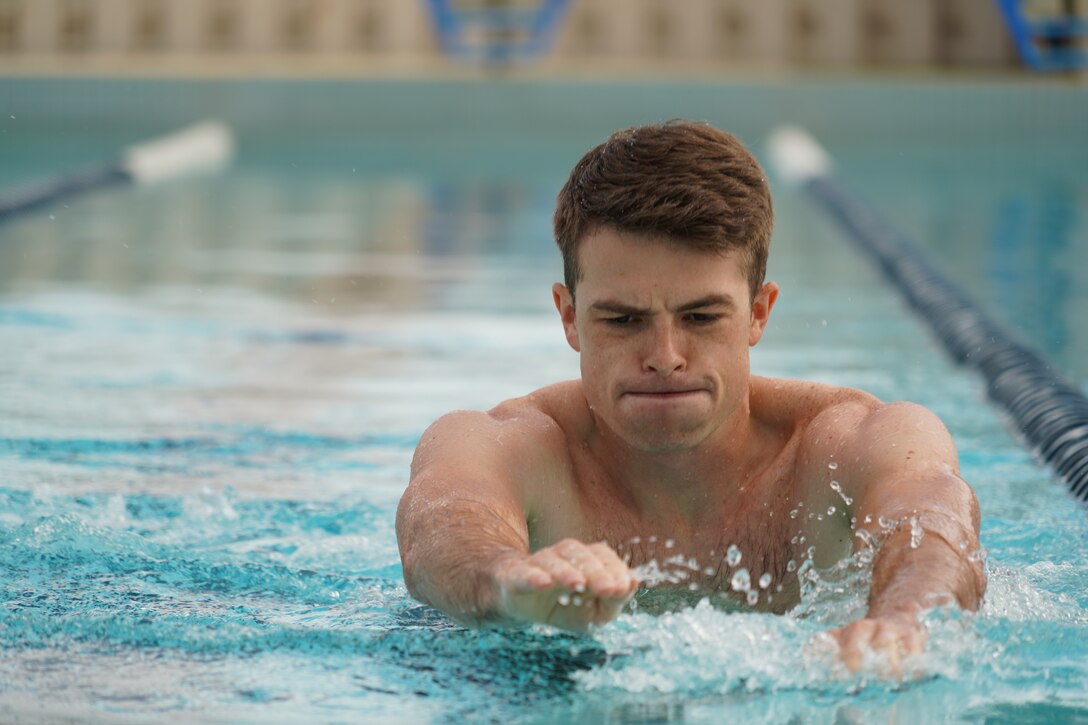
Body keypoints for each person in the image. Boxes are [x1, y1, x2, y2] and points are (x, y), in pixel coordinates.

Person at [396, 120, 986, 675]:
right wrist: (508, 578)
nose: (665, 355)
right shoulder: (513, 445)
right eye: (623, 319)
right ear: (569, 317)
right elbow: (444, 525)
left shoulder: (845, 445)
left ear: (758, 313)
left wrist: (903, 620)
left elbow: (933, 524)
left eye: (701, 317)